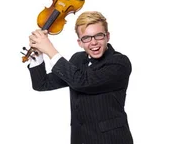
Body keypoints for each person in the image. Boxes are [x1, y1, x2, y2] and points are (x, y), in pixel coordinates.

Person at [27, 10, 133, 144]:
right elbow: (42, 84)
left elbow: (82, 82)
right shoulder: (78, 59)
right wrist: (38, 53)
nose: (93, 42)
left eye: (99, 36)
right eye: (86, 38)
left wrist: (50, 49)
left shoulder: (119, 63)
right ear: (80, 42)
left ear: (107, 36)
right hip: (80, 139)